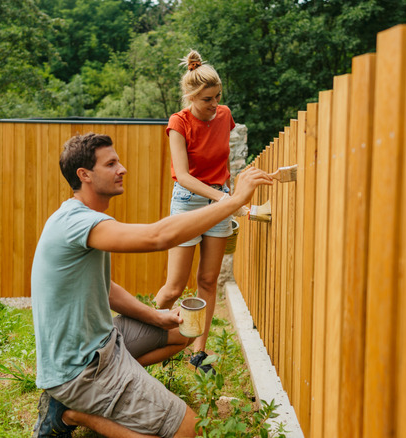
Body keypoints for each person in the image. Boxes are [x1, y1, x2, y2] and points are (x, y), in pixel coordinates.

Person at [31, 132, 271, 438]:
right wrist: (235, 200)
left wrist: (154, 316)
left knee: (183, 331)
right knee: (189, 431)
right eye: (111, 163)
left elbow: (105, 288)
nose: (123, 169)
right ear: (85, 175)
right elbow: (158, 237)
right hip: (81, 370)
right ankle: (71, 412)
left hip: (104, 342)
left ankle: (107, 395)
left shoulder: (83, 217)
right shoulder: (77, 223)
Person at [153, 50, 244, 374]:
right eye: (207, 99)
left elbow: (221, 159)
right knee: (175, 287)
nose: (214, 104)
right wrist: (225, 201)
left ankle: (198, 353)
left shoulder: (224, 116)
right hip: (189, 203)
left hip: (219, 200)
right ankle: (145, 336)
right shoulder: (179, 122)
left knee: (207, 280)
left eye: (218, 96)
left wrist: (226, 194)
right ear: (191, 96)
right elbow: (185, 175)